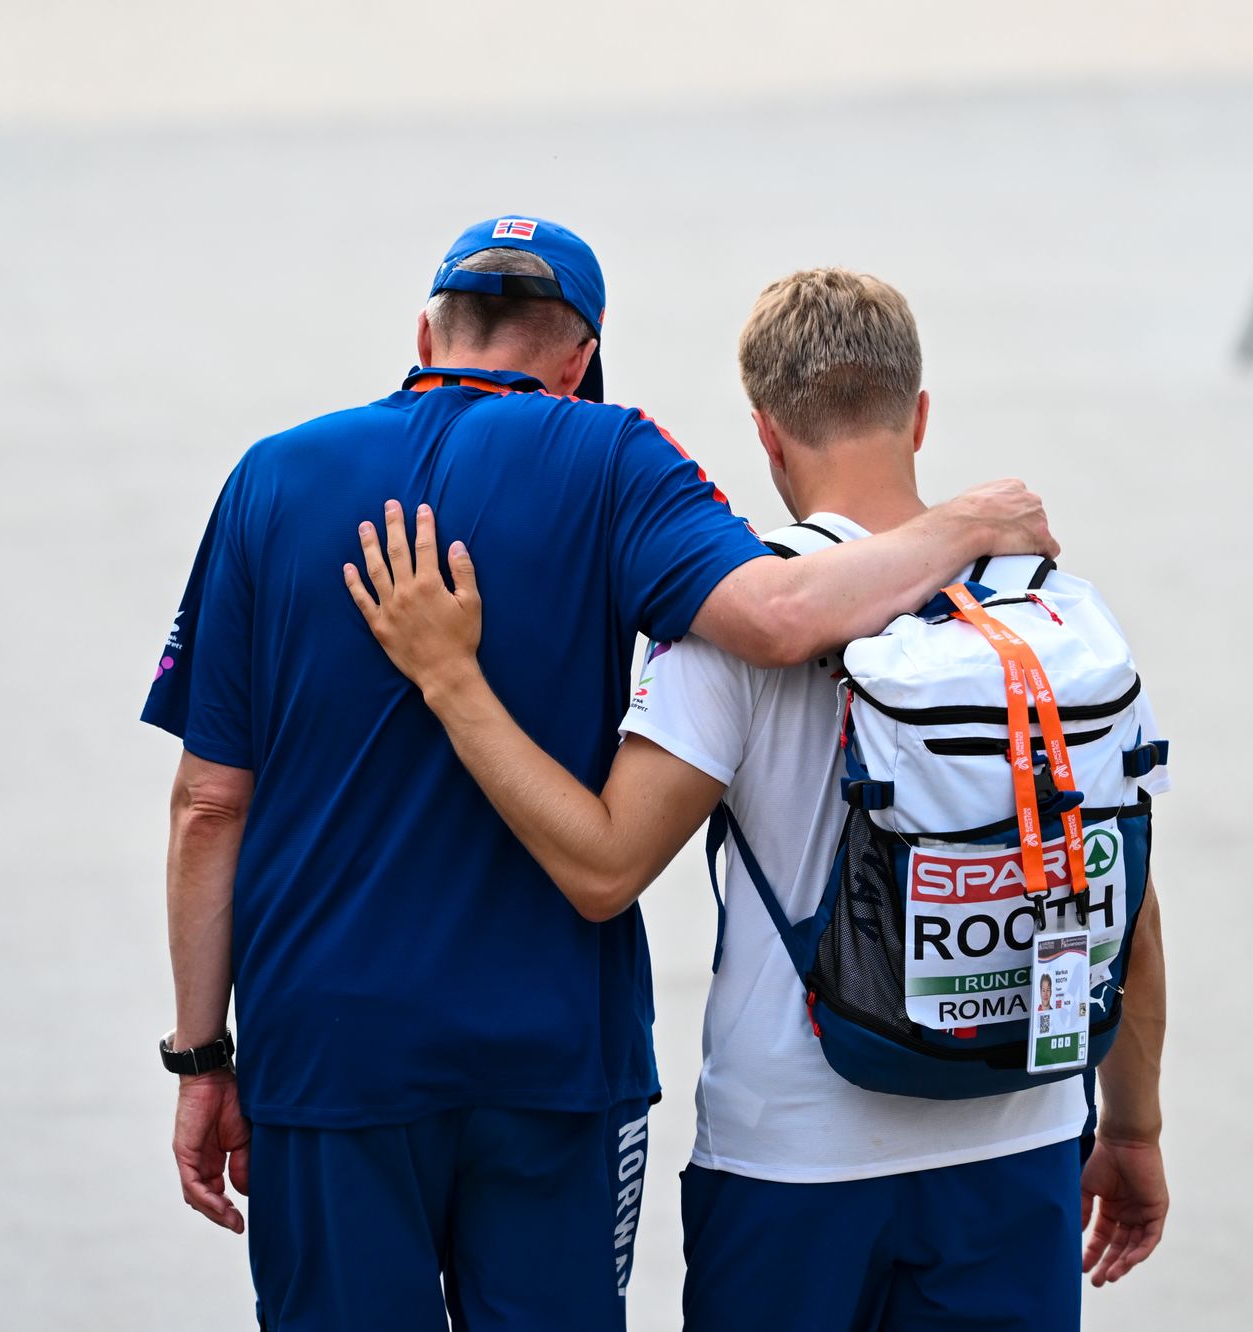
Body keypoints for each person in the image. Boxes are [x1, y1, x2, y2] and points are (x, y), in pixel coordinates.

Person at [142, 218, 1058, 1330]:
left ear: (425, 334)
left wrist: (202, 1056)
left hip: (331, 1054)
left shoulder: (271, 478)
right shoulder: (614, 453)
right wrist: (964, 523)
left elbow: (208, 805)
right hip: (554, 1054)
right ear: (579, 359)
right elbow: (779, 616)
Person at [346, 268, 1169, 1331]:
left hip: (793, 1160)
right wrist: (1133, 1130)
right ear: (918, 414)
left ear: (766, 434)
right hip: (1022, 1142)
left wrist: (453, 683)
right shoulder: (1054, 614)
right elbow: (1123, 897)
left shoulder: (735, 625)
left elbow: (601, 868)